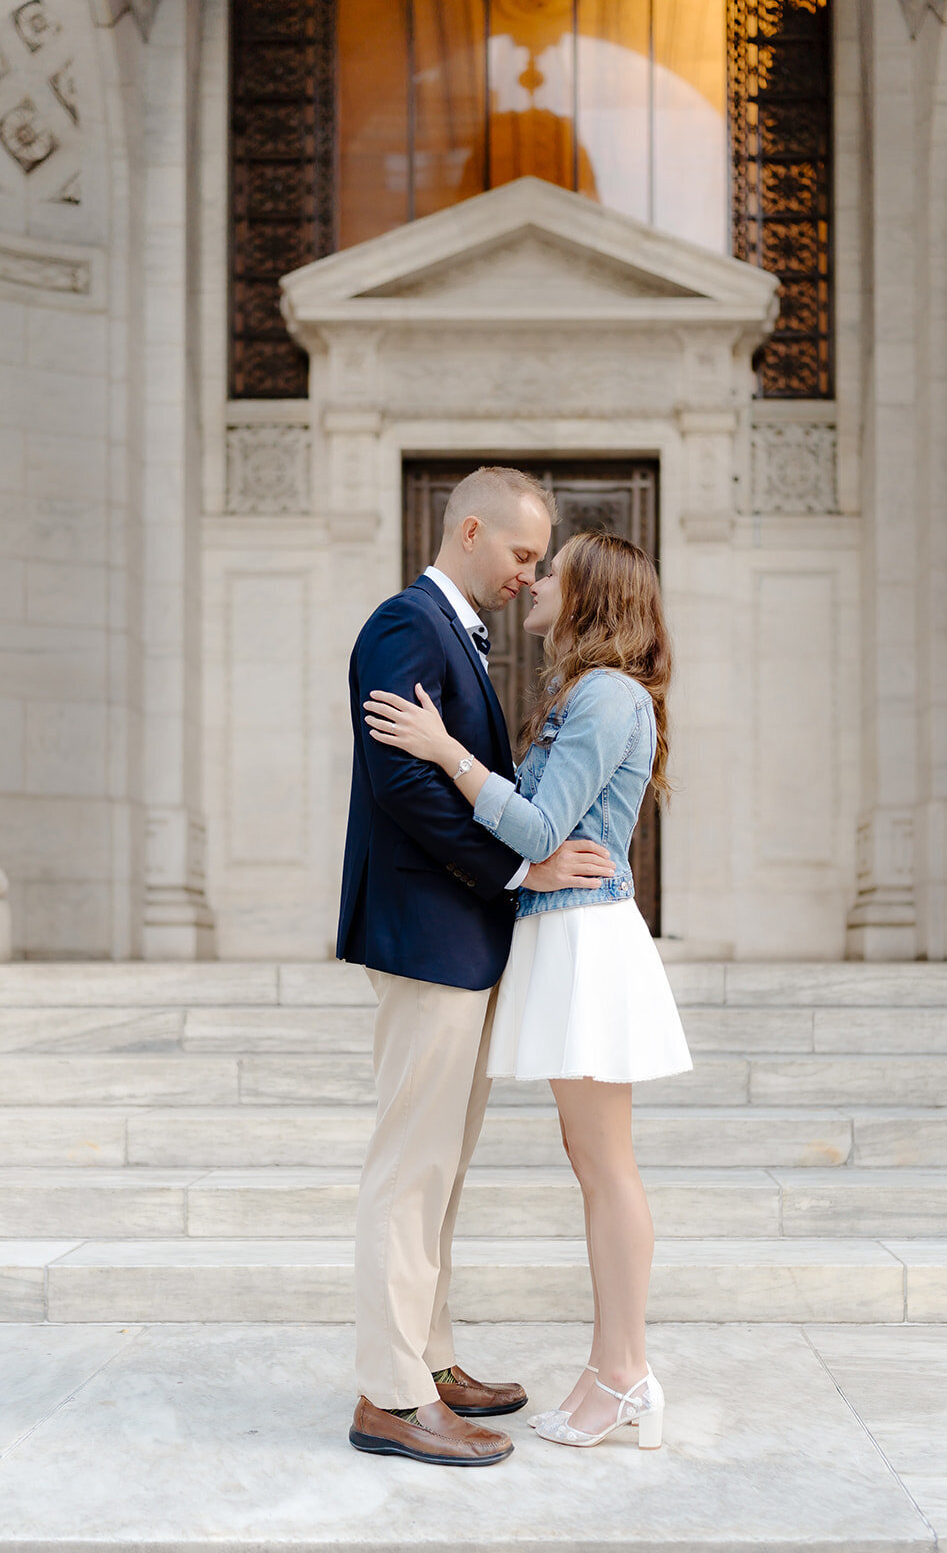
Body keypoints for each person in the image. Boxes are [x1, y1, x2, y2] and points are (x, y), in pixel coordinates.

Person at [364, 530, 693, 1452]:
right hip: (569, 938)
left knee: (605, 1167)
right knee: (596, 1165)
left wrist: (443, 751)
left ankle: (622, 1375)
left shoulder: (603, 695)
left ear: (590, 595)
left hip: (586, 939)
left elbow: (541, 826)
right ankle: (613, 1371)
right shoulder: (589, 693)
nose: (536, 581)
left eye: (554, 570)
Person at [338, 466, 616, 1468]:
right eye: (520, 555)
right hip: (426, 935)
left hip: (458, 936)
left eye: (537, 562)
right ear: (468, 532)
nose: (527, 575)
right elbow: (402, 781)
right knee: (408, 1169)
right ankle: (390, 1395)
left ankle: (430, 1358)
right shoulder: (406, 625)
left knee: (437, 1168)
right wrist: (519, 862)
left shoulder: (451, 630)